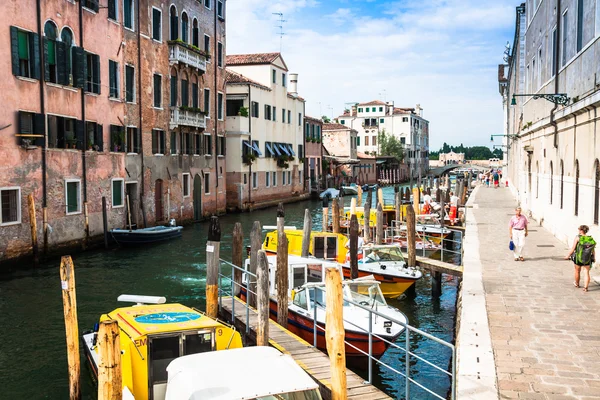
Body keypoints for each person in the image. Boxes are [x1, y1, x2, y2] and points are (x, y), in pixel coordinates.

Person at [565, 225, 596, 292]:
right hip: (587, 258)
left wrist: (568, 256)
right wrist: (594, 257)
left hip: (578, 258)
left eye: (579, 229)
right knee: (586, 272)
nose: (578, 230)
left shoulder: (578, 237)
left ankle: (577, 283)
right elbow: (593, 250)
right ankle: (585, 288)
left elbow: (573, 248)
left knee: (577, 271)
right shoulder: (590, 239)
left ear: (581, 230)